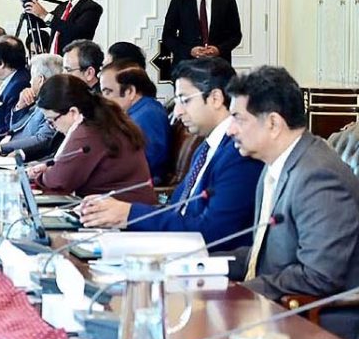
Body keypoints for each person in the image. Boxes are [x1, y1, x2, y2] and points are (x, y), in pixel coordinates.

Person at [223, 67, 359, 339]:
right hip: (274, 311)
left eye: (238, 118)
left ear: (273, 123)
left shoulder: (317, 176)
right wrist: (200, 264)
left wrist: (241, 292)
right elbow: (265, 255)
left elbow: (318, 276)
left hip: (317, 326)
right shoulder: (277, 165)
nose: (230, 130)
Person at [79, 57, 262, 251]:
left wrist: (130, 214)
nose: (178, 111)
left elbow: (212, 232)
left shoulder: (238, 153)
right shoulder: (206, 147)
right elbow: (178, 209)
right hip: (175, 245)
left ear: (215, 98)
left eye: (185, 100)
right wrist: (118, 211)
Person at [27, 74, 157, 203]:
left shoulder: (87, 132)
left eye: (52, 121)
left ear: (73, 112)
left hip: (128, 211)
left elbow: (59, 182)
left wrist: (40, 177)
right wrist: (49, 168)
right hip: (116, 206)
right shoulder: (100, 121)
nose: (54, 127)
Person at [161, 0, 243, 67]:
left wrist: (218, 49)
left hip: (218, 64)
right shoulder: (179, 0)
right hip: (187, 64)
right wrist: (189, 50)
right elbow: (168, 36)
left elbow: (235, 35)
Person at [100, 63, 169, 181]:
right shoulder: (141, 111)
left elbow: (144, 164)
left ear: (130, 91)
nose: (103, 99)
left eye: (108, 92)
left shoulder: (148, 115)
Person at [0, 53, 62, 161]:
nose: (30, 81)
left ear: (40, 80)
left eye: (32, 77)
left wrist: (3, 148)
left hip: (24, 159)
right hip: (7, 152)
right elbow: (14, 128)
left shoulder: (55, 104)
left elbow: (42, 139)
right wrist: (20, 106)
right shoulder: (38, 100)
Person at [24, 0, 103, 54]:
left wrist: (44, 15)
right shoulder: (62, 7)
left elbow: (76, 32)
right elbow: (38, 23)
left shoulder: (92, 8)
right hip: (53, 59)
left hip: (73, 60)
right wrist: (28, 3)